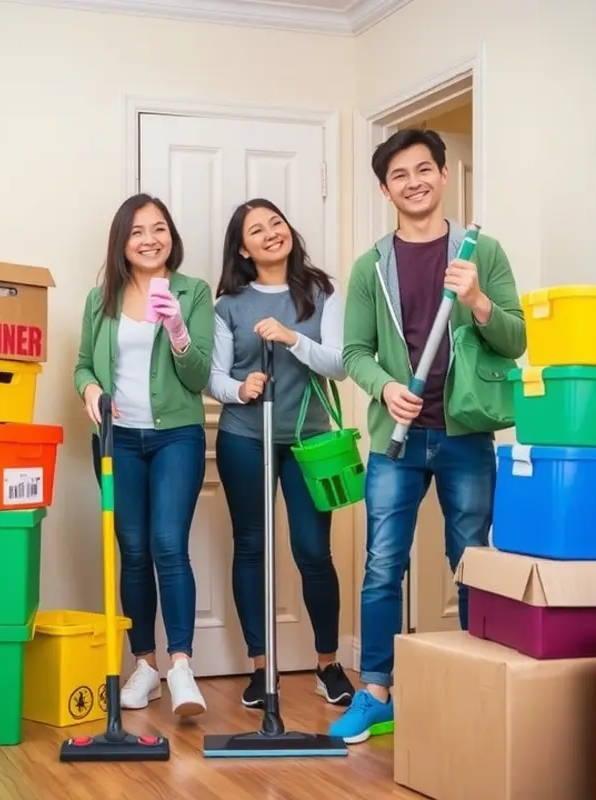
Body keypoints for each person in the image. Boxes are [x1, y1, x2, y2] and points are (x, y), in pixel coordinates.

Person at [331, 129, 526, 743]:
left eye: (423, 169)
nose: (413, 181)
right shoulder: (372, 266)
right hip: (399, 438)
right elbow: (355, 351)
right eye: (399, 174)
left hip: (465, 433)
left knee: (469, 560)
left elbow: (515, 339)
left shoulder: (480, 252)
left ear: (444, 176)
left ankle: (473, 682)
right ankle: (376, 693)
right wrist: (386, 388)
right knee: (383, 563)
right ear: (385, 189)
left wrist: (478, 301)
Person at [207, 198, 356, 710]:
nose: (271, 233)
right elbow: (214, 377)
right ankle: (259, 666)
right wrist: (239, 389)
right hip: (246, 437)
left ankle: (327, 663)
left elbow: (339, 365)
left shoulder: (322, 292)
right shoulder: (228, 305)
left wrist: (292, 338)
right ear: (243, 249)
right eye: (257, 230)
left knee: (313, 551)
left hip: (309, 441)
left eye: (276, 222)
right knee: (251, 546)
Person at [74, 193, 214, 717]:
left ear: (171, 236)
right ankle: (146, 666)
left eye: (159, 229)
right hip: (118, 441)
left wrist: (178, 329)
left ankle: (181, 667)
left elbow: (198, 377)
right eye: (137, 231)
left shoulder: (193, 292)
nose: (150, 239)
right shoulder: (100, 299)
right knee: (132, 549)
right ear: (122, 242)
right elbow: (82, 367)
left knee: (167, 544)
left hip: (177, 435)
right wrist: (89, 392)